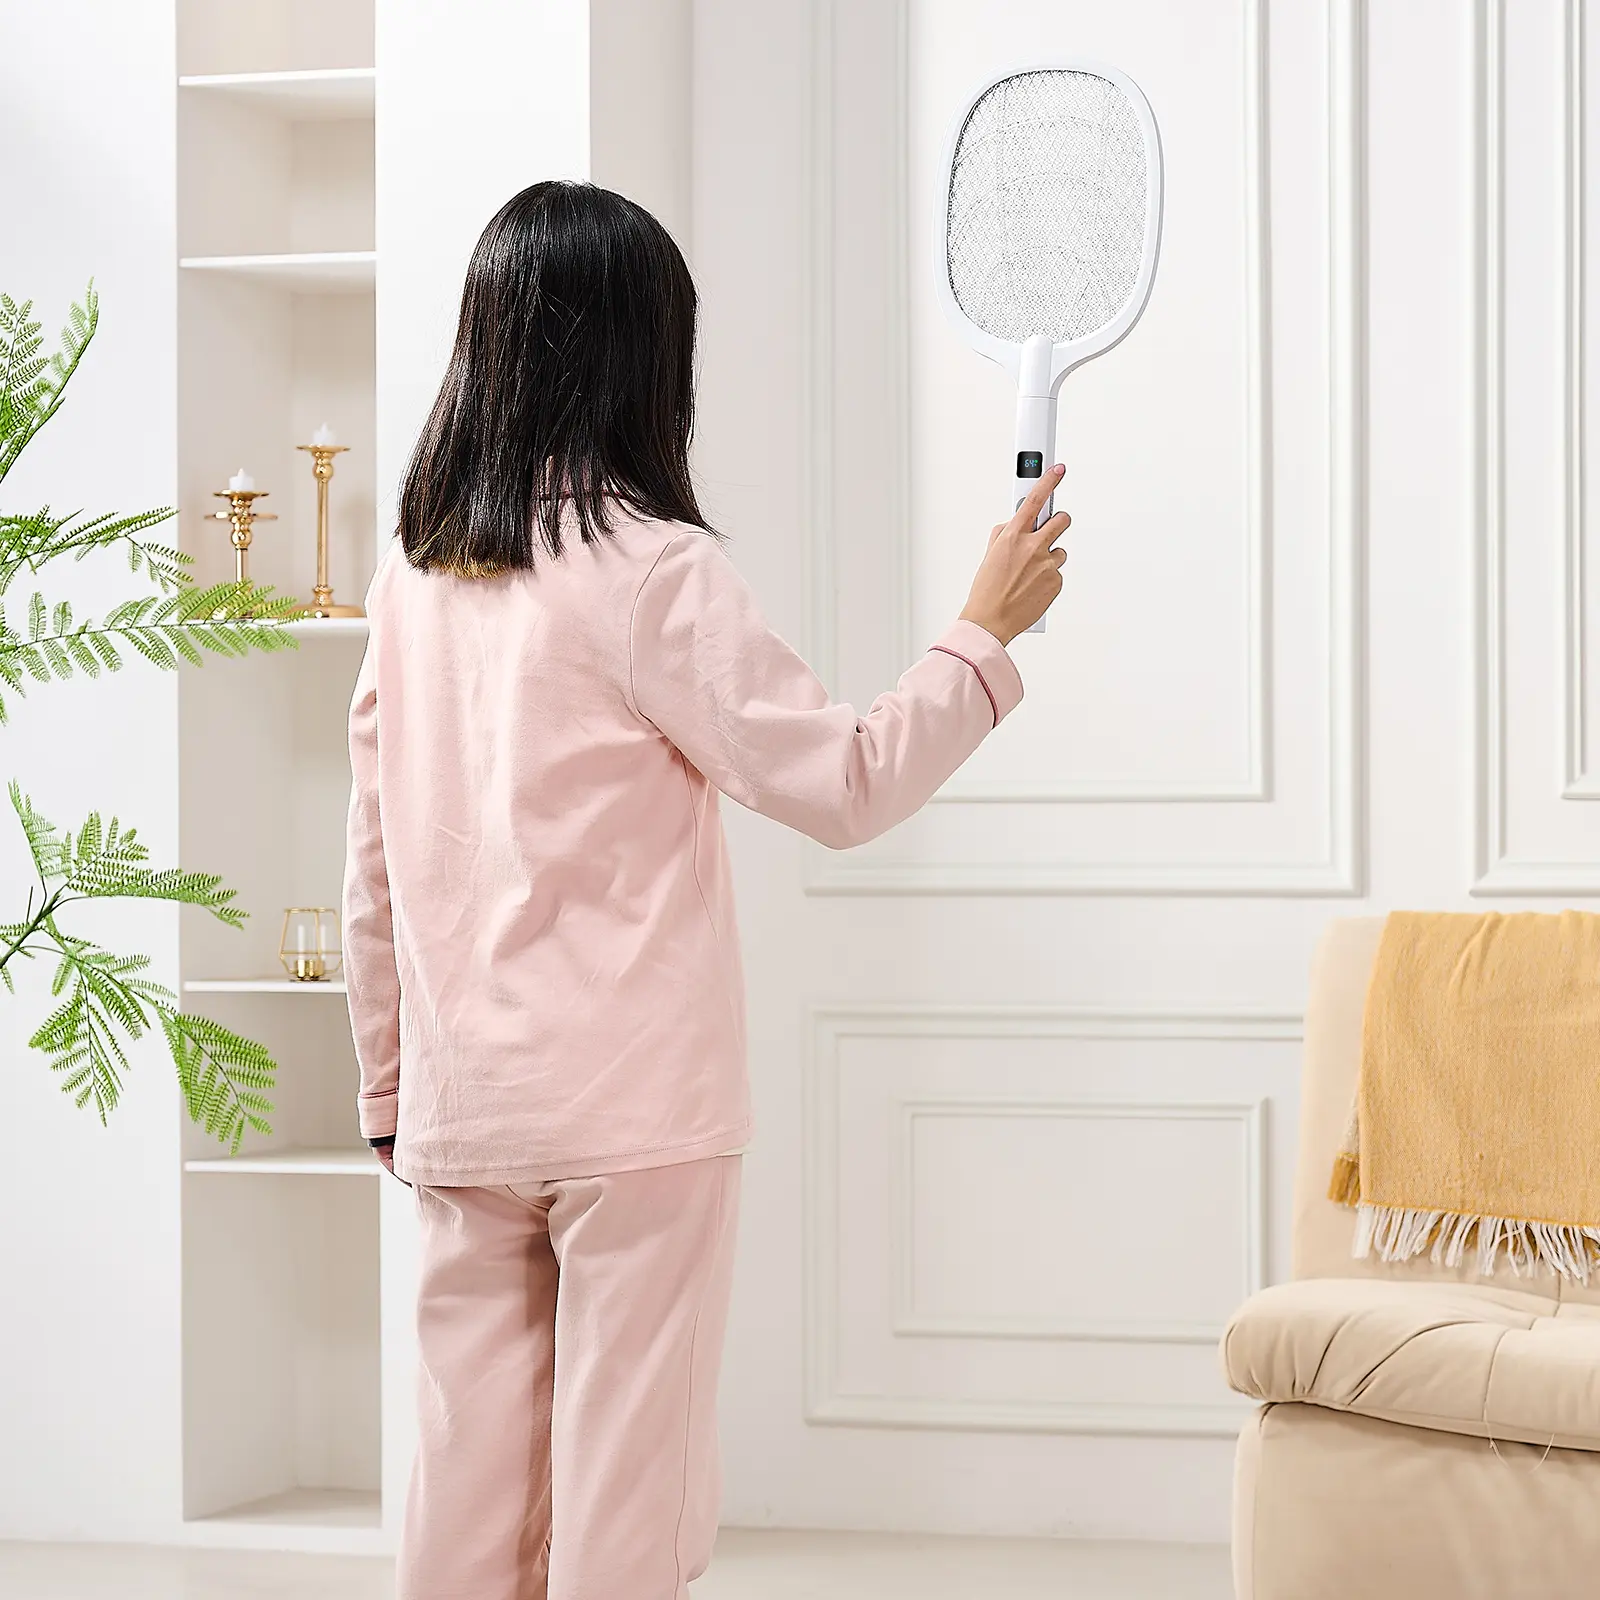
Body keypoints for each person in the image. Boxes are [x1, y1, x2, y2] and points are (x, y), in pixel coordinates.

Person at [341, 179, 1067, 1600]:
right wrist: (981, 635)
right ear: (646, 357)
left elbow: (370, 855)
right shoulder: (654, 571)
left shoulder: (411, 580)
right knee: (630, 1500)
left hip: (462, 1110)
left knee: (465, 1501)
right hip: (635, 1117)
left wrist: (387, 1083)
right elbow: (844, 783)